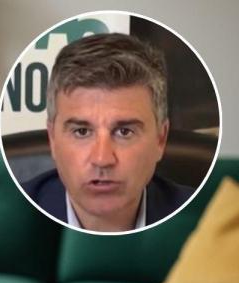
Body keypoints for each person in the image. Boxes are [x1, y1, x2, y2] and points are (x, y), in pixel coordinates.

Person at [22, 33, 194, 232]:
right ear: (52, 139)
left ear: (160, 140)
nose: (102, 159)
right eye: (82, 131)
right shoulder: (11, 217)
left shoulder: (204, 218)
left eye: (124, 131)